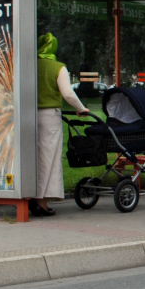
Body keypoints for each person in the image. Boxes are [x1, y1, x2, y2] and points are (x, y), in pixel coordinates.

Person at [32, 33, 89, 216]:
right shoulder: (59, 67)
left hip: (29, 116)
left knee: (32, 158)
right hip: (50, 118)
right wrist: (81, 108)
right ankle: (41, 202)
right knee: (48, 158)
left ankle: (29, 197)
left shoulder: (29, 64)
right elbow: (68, 93)